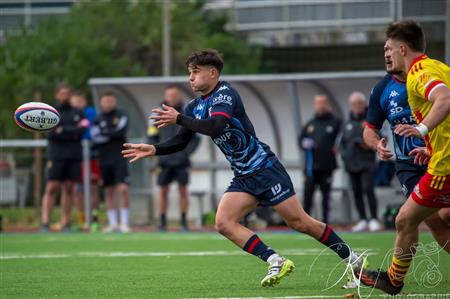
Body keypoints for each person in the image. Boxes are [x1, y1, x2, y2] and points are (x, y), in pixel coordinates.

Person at [122, 49, 365, 287]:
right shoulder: (193, 107)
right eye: (189, 72)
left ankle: (354, 261)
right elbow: (180, 141)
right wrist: (154, 149)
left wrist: (179, 119)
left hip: (265, 169)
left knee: (300, 223)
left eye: (195, 72)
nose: (190, 78)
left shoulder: (225, 94)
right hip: (244, 176)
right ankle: (275, 260)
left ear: (213, 73)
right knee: (224, 223)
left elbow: (216, 126)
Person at [356, 20, 450, 295]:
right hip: (422, 162)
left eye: (388, 48)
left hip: (443, 166)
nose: (386, 54)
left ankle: (393, 280)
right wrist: (429, 146)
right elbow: (369, 129)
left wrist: (421, 129)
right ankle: (393, 280)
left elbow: (444, 100)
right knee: (426, 219)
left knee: (407, 220)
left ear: (401, 48)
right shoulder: (438, 68)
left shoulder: (419, 72)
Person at [148, 85, 200, 231]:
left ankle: (183, 222)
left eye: (174, 95)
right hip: (164, 160)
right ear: (165, 97)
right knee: (163, 191)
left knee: (183, 190)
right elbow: (152, 135)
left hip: (181, 160)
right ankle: (162, 223)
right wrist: (155, 151)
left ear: (179, 96)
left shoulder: (187, 113)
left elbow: (196, 138)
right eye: (169, 95)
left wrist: (186, 152)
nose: (172, 98)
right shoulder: (157, 113)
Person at [41, 84, 87, 232]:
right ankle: (45, 222)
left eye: (68, 94)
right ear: (57, 95)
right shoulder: (50, 113)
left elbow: (81, 131)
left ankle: (66, 222)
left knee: (68, 188)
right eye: (62, 94)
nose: (65, 96)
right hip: (56, 155)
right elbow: (52, 133)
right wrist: (71, 131)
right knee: (52, 187)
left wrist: (62, 130)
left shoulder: (78, 112)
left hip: (74, 155)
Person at [340, 92, 380, 232]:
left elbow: (379, 137)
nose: (356, 107)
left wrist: (367, 144)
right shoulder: (347, 123)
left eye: (359, 103)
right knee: (356, 192)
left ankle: (374, 218)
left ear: (364, 105)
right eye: (353, 104)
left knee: (368, 189)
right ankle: (362, 219)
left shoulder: (371, 120)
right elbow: (342, 143)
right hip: (351, 164)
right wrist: (344, 155)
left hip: (367, 162)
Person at [92, 92, 131, 233]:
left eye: (110, 101)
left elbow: (120, 132)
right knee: (108, 190)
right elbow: (95, 137)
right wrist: (110, 133)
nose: (108, 104)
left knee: (123, 189)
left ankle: (124, 223)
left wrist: (105, 132)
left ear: (114, 102)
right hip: (104, 157)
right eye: (105, 101)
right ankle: (113, 224)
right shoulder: (97, 118)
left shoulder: (122, 114)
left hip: (120, 156)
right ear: (101, 103)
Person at [298, 95, 341, 223]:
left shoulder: (335, 122)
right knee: (308, 193)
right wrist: (304, 143)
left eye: (322, 103)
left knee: (326, 195)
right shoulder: (310, 123)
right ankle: (305, 220)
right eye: (317, 103)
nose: (320, 106)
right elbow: (300, 139)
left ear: (327, 105)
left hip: (327, 166)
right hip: (311, 167)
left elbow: (340, 141)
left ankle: (325, 221)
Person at [69, 91, 101, 231]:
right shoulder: (68, 115)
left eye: (79, 102)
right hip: (76, 157)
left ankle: (94, 219)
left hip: (91, 155)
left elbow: (91, 131)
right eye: (74, 102)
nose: (77, 105)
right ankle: (82, 221)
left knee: (93, 187)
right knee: (77, 189)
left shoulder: (90, 113)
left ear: (84, 102)